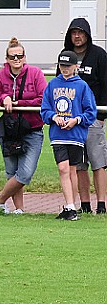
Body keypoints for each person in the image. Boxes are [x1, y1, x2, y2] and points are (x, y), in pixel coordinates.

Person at [58, 18, 107, 214]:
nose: (77, 36)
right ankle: (84, 204)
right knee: (79, 165)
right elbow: (58, 85)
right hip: (71, 121)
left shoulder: (99, 56)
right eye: (74, 32)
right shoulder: (65, 56)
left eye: (81, 32)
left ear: (87, 34)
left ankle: (101, 204)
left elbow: (105, 85)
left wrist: (102, 115)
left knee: (98, 162)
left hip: (93, 118)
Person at [0, 37, 47, 214]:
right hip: (10, 130)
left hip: (32, 129)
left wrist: (18, 103)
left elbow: (42, 99)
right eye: (12, 57)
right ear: (7, 59)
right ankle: (19, 210)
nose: (16, 60)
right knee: (12, 171)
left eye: (19, 56)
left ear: (24, 57)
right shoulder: (1, 75)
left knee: (24, 173)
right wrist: (4, 99)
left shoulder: (36, 73)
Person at [41, 51, 97, 221]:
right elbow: (44, 110)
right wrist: (53, 117)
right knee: (63, 168)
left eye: (68, 66)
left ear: (75, 67)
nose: (65, 69)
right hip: (58, 135)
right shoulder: (52, 85)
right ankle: (71, 206)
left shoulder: (82, 86)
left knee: (72, 170)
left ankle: (70, 206)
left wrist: (77, 120)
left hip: (76, 135)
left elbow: (90, 112)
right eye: (62, 66)